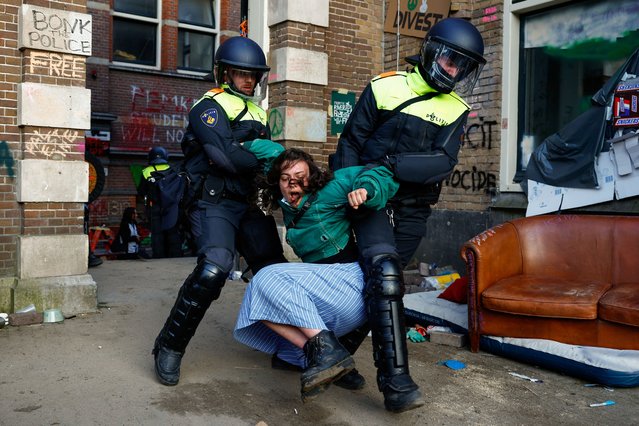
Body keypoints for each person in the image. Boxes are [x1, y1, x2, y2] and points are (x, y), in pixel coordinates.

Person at [330, 18, 487, 412]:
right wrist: (352, 186)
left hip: (415, 206)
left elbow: (441, 162)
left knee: (384, 284)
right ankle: (396, 382)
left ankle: (331, 355)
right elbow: (351, 141)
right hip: (371, 198)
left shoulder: (456, 108)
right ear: (433, 50)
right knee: (383, 274)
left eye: (463, 66)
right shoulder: (385, 86)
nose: (454, 71)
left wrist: (387, 162)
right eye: (451, 59)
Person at [152, 36, 287, 386]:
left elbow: (256, 164)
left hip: (249, 202)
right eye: (241, 73)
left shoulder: (258, 112)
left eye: (253, 75)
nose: (249, 81)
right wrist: (260, 151)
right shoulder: (208, 106)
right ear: (224, 73)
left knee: (276, 273)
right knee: (214, 269)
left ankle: (298, 350)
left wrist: (253, 154)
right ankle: (169, 345)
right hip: (214, 201)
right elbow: (226, 158)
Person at [233, 148, 400, 404]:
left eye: (300, 176)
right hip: (327, 286)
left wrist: (366, 189)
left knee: (264, 281)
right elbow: (271, 151)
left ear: (312, 177)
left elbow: (378, 172)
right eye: (285, 177)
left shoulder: (330, 189)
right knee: (279, 339)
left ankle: (329, 353)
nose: (293, 182)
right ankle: (331, 361)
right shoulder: (288, 204)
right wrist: (235, 143)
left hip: (350, 283)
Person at [137, 146, 183, 259]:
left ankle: (159, 256)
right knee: (172, 231)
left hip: (155, 207)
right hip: (171, 207)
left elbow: (141, 191)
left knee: (157, 234)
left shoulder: (146, 171)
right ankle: (175, 255)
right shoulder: (173, 170)